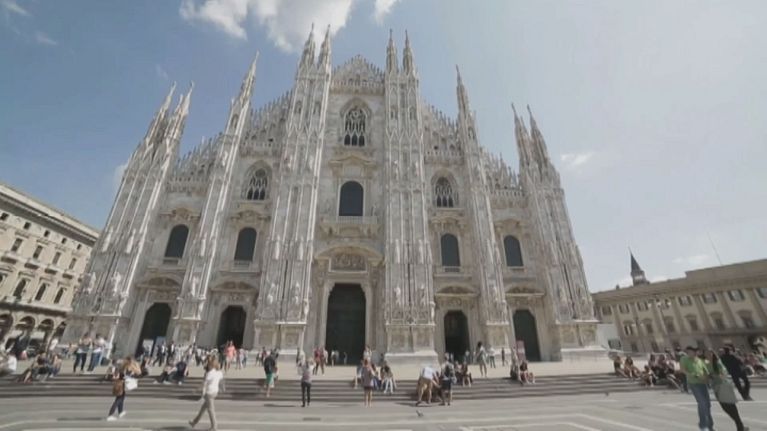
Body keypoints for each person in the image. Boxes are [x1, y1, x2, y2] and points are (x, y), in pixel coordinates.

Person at [705, 349, 749, 431]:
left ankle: (740, 426)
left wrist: (714, 375)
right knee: (725, 407)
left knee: (730, 406)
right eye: (706, 354)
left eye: (710, 354)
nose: (708, 356)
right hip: (716, 387)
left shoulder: (718, 363)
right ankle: (740, 425)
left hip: (724, 386)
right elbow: (707, 377)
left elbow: (723, 374)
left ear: (713, 354)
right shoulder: (706, 365)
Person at [681, 346, 713, 431]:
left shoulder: (700, 360)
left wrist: (706, 378)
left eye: (690, 352)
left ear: (695, 352)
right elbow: (683, 369)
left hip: (703, 384)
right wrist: (693, 375)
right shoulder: (685, 359)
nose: (688, 353)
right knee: (702, 403)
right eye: (687, 352)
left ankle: (710, 425)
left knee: (708, 404)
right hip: (694, 383)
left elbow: (706, 372)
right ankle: (703, 426)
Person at [188, 357, 223, 431]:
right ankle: (194, 422)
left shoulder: (209, 373)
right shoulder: (219, 372)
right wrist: (222, 388)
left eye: (208, 364)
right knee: (203, 408)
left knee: (211, 410)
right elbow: (221, 382)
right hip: (215, 392)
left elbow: (204, 383)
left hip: (209, 393)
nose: (207, 365)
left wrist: (196, 390)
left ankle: (214, 427)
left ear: (211, 365)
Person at [106, 356, 141, 421]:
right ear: (130, 361)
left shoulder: (123, 366)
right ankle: (110, 415)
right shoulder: (130, 366)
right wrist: (136, 365)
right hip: (122, 383)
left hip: (119, 383)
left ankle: (120, 412)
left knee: (121, 397)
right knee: (118, 399)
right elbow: (139, 372)